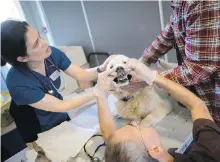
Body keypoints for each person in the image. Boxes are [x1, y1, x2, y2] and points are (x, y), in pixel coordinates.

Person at [1, 20, 114, 144]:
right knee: (51, 148)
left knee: (69, 136)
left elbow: (80, 74)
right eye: (36, 44)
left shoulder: (51, 54)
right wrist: (95, 93)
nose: (44, 43)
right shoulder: (17, 82)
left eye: (39, 36)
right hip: (35, 121)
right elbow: (60, 106)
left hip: (58, 110)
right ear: (23, 58)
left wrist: (101, 68)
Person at [93, 58, 220, 162]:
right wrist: (153, 77)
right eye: (136, 127)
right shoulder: (209, 152)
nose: (134, 122)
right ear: (155, 150)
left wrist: (100, 94)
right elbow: (198, 106)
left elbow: (111, 137)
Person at [138, 1, 220, 126]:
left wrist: (151, 78)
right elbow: (167, 36)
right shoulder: (181, 4)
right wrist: (142, 62)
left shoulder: (202, 3)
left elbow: (199, 67)